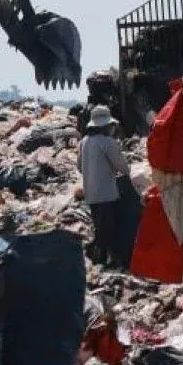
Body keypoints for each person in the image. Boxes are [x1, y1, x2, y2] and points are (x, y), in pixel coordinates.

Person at [78, 105, 130, 267]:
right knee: (109, 228)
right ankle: (107, 260)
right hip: (106, 193)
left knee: (99, 227)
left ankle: (98, 258)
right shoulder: (107, 142)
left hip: (91, 193)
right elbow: (123, 167)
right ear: (107, 125)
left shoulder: (84, 142)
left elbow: (79, 166)